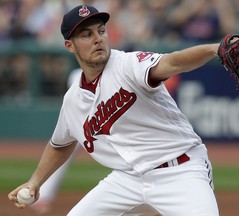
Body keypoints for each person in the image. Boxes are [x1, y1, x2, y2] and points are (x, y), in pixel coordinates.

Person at [8, 5, 221, 215]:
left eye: (101, 31)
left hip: (181, 171)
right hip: (129, 180)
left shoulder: (128, 65)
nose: (98, 38)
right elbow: (60, 144)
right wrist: (35, 182)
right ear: (69, 46)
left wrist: (214, 49)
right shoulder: (73, 99)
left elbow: (173, 63)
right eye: (86, 34)